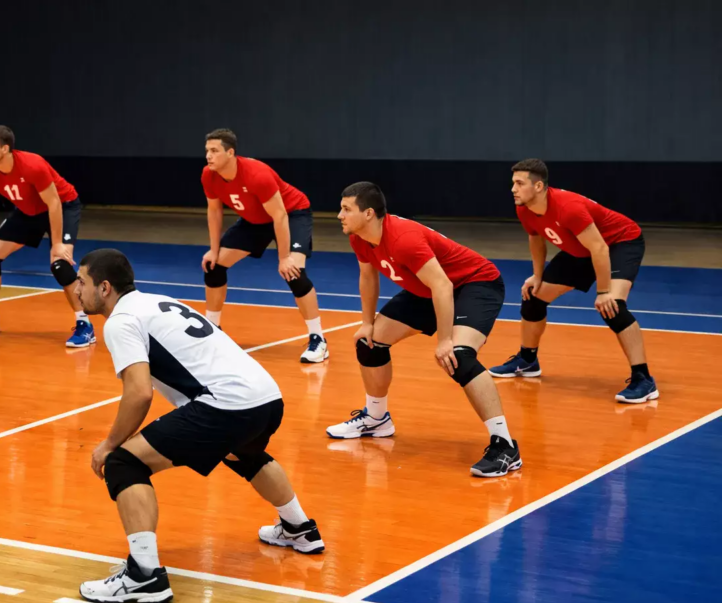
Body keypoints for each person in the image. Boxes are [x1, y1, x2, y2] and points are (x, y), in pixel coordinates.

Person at [75, 248, 324, 603]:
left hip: (227, 404)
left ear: (104, 287)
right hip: (267, 398)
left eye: (81, 282)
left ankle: (143, 576)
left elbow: (139, 392)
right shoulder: (155, 301)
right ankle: (300, 529)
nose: (75, 289)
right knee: (245, 453)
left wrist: (109, 444)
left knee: (124, 463)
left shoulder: (120, 320)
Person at [328, 182, 522, 478]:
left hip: (473, 284)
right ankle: (377, 419)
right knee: (369, 344)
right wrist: (367, 322)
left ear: (368, 213)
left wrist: (445, 340)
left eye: (346, 209)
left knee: (459, 357)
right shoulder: (360, 238)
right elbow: (368, 278)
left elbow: (443, 285)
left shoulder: (403, 239)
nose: (339, 215)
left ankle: (505, 444)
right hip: (427, 291)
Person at [489, 159, 657, 403]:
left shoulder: (568, 207)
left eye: (519, 183)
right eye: (512, 183)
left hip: (619, 243)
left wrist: (603, 291)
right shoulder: (524, 208)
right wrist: (537, 275)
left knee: (613, 308)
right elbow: (535, 238)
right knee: (533, 297)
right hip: (583, 249)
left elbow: (599, 248)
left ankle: (644, 379)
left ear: (538, 186)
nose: (513, 189)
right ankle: (527, 360)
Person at [0, 125, 95, 347]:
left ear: (5, 148)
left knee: (60, 265)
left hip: (62, 206)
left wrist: (57, 244)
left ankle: (84, 324)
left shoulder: (32, 165)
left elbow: (54, 203)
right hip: (29, 212)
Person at [201, 128, 327, 363]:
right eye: (207, 150)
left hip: (291, 213)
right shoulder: (209, 175)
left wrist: (283, 258)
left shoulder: (256, 174)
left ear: (231, 153)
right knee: (213, 265)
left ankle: (318, 338)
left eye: (214, 151)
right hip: (256, 220)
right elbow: (214, 210)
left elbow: (279, 216)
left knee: (294, 272)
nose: (209, 156)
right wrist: (214, 249)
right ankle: (213, 330)